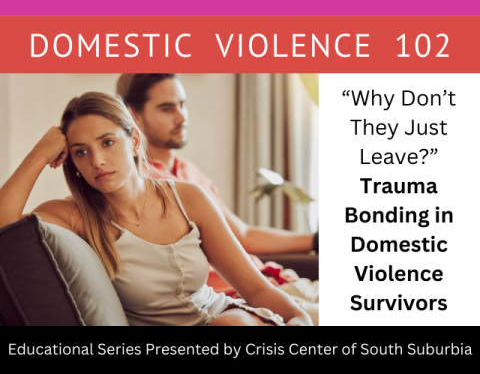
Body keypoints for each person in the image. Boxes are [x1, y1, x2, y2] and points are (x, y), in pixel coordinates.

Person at [0, 92, 312, 326]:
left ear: (133, 140)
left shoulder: (187, 198)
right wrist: (39, 153)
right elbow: (5, 230)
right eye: (82, 152)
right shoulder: (72, 216)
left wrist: (300, 319)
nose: (96, 161)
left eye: (107, 142)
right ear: (72, 161)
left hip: (229, 317)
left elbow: (254, 288)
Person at [116, 74, 319, 323]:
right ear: (133, 115)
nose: (181, 117)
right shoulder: (140, 188)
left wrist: (316, 240)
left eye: (183, 105)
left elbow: (242, 234)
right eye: (167, 108)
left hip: (278, 283)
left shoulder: (188, 172)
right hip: (241, 300)